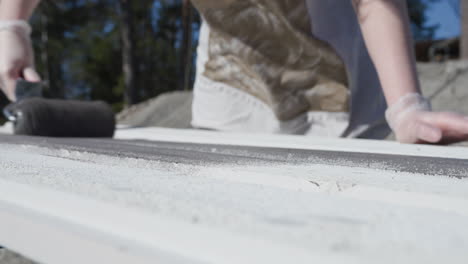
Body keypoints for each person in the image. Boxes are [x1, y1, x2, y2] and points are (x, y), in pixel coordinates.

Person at [1, 0, 468, 144]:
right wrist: (13, 24)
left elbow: (372, 5)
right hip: (232, 96)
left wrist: (406, 108)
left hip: (342, 101)